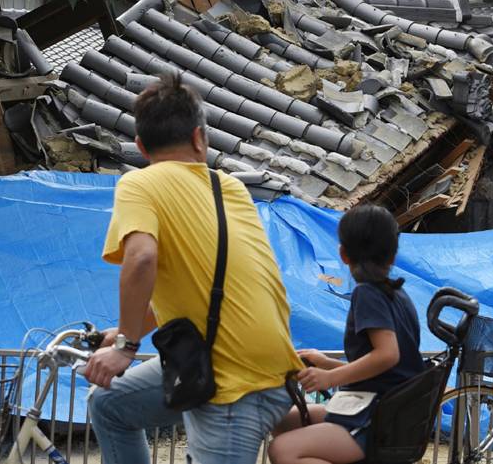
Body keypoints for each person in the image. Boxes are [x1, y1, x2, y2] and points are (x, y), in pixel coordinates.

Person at [83, 74, 303, 464]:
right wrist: (127, 329)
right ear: (200, 138)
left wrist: (126, 346)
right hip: (253, 357)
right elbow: (208, 285)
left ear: (140, 146)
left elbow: (142, 258)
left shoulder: (139, 184)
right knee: (109, 405)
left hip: (234, 380)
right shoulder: (230, 187)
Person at [268, 205, 425, 464]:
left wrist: (330, 377)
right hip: (384, 413)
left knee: (282, 450)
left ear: (343, 254)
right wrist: (327, 362)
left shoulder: (369, 293)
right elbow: (386, 368)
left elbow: (387, 355)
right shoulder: (398, 295)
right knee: (284, 421)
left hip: (374, 420)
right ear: (393, 254)